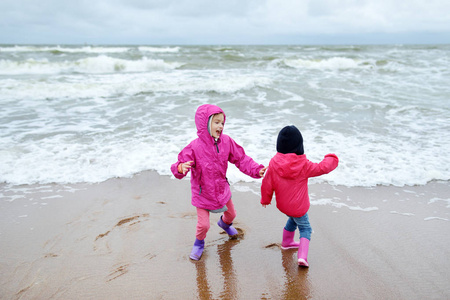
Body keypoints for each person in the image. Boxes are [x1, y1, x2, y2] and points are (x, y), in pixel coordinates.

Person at [171, 104, 267, 261]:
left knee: (231, 214)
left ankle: (225, 225)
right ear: (205, 123)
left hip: (222, 189)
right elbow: (178, 165)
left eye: (222, 122)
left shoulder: (226, 142)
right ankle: (199, 243)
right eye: (216, 122)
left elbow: (241, 159)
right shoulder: (194, 147)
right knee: (204, 226)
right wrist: (180, 168)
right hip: (202, 193)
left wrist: (257, 170)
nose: (221, 126)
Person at [260, 125, 338, 267]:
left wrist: (266, 199)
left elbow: (267, 182)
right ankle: (302, 257)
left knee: (293, 219)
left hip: (283, 205)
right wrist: (332, 158)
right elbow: (322, 168)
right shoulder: (303, 165)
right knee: (305, 228)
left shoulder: (273, 163)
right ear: (299, 145)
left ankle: (287, 242)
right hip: (298, 206)